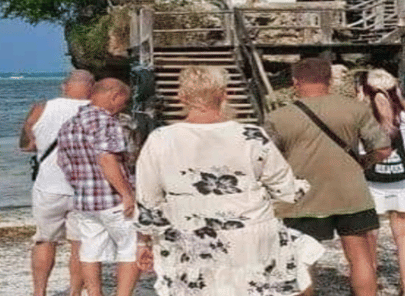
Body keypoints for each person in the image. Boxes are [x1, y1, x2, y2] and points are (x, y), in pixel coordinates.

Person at [134, 65, 324, 296]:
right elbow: (287, 190)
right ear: (226, 94)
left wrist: (143, 242)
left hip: (191, 234)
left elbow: (148, 200)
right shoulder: (251, 136)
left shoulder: (161, 139)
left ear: (181, 97)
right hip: (250, 234)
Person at [265, 58, 391, 296]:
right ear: (330, 80)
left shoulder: (278, 117)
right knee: (359, 257)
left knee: (301, 260)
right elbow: (383, 148)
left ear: (295, 82)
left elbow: (268, 161)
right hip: (350, 192)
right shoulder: (356, 109)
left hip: (303, 196)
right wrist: (363, 163)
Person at [57, 78, 139, 296]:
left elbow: (63, 163)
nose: (124, 106)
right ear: (114, 96)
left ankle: (95, 294)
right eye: (124, 101)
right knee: (130, 249)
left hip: (85, 201)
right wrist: (127, 194)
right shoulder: (106, 121)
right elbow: (106, 159)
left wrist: (80, 185)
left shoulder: (69, 124)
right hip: (111, 199)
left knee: (90, 250)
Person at [20, 69, 95, 296]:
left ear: (64, 86)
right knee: (80, 244)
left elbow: (26, 146)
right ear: (92, 88)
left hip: (48, 187)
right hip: (84, 188)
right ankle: (75, 292)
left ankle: (39, 292)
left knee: (45, 240)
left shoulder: (41, 109)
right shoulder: (97, 111)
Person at [356, 69, 405, 296]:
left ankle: (369, 286)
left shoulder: (362, 117)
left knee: (368, 236)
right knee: (404, 236)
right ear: (396, 89)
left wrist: (359, 101)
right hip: (403, 181)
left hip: (370, 181)